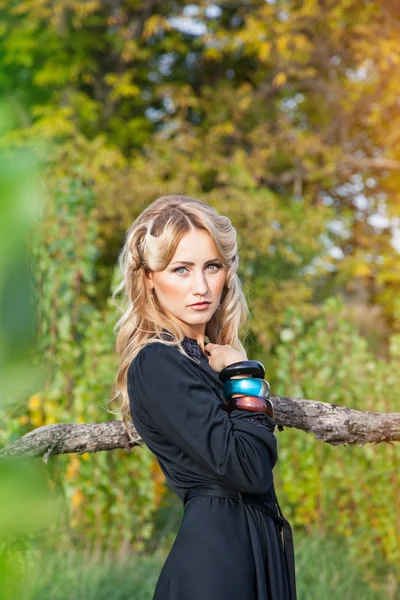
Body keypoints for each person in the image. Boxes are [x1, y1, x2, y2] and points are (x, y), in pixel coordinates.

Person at [113, 195, 297, 600]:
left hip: (246, 549)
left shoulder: (202, 358)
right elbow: (249, 469)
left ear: (227, 273)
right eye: (181, 269)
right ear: (148, 278)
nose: (201, 287)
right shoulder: (157, 362)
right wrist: (244, 375)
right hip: (215, 567)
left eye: (211, 267)